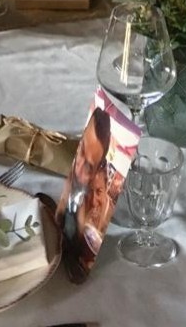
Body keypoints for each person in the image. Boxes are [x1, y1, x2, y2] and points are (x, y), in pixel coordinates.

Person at [57, 105, 111, 281]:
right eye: (81, 150)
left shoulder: (91, 202)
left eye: (88, 166)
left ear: (96, 172)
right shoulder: (71, 184)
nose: (78, 164)